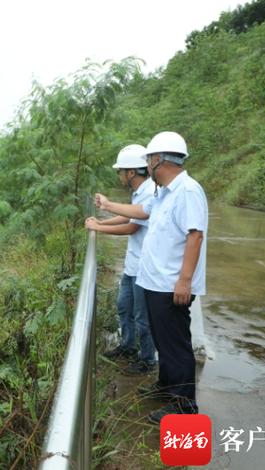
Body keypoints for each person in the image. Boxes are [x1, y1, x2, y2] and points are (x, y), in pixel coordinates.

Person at [94, 131, 208, 424]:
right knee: (162, 339)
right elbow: (141, 212)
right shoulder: (164, 193)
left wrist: (184, 280)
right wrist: (106, 207)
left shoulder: (188, 191)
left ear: (158, 160)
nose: (147, 167)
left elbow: (195, 235)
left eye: (149, 160)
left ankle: (184, 408)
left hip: (171, 284)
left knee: (175, 344)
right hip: (155, 282)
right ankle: (167, 388)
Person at [85, 144, 157, 376]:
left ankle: (147, 359)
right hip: (132, 264)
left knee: (142, 317)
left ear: (132, 172)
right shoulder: (139, 192)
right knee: (124, 307)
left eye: (120, 171)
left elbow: (133, 226)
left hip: (144, 268)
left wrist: (100, 226)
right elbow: (127, 214)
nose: (119, 175)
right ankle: (128, 345)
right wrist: (101, 223)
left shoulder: (149, 190)